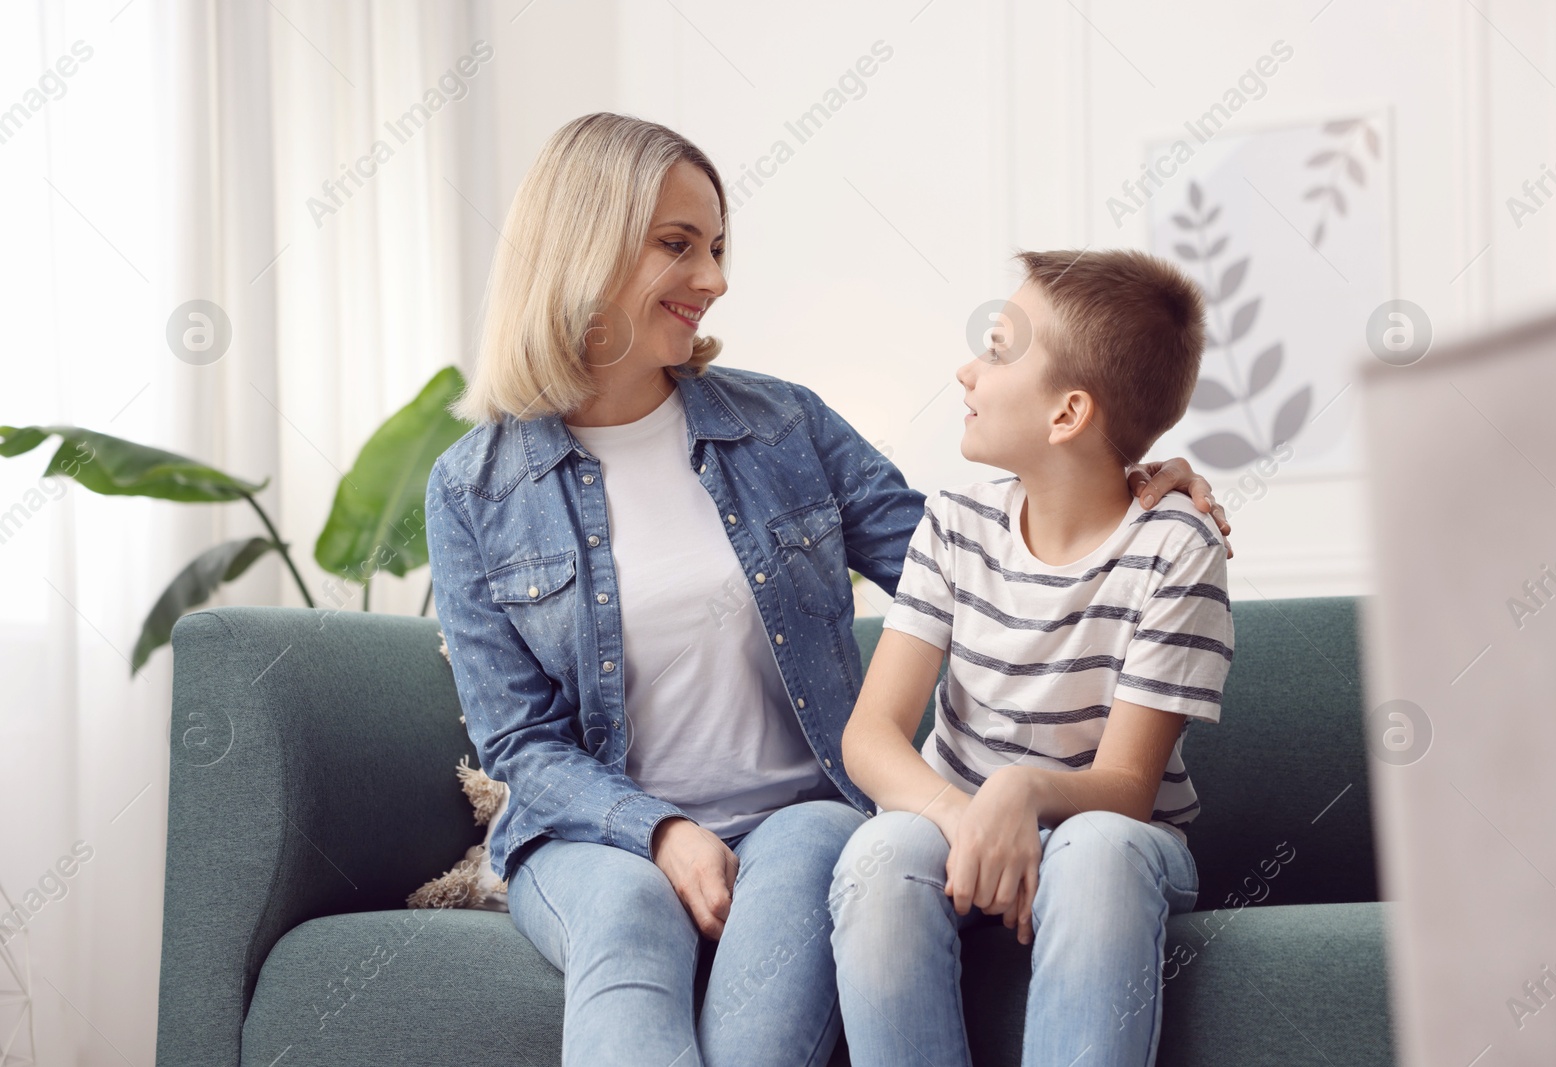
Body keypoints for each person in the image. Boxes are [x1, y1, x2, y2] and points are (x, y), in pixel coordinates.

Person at [425, 113, 1232, 1067]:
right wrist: (663, 832)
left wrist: (1120, 481)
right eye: (679, 246)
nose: (716, 280)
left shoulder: (780, 424)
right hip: (592, 836)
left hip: (796, 819)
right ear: (583, 249)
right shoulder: (474, 488)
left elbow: (971, 557)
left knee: (763, 1027)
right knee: (632, 915)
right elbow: (520, 742)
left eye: (718, 247)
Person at [829, 248, 1232, 1067]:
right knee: (880, 852)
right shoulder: (953, 524)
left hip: (1114, 833)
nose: (966, 372)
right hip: (958, 817)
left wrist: (1021, 788)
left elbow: (1127, 790)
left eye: (998, 349)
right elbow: (871, 736)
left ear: (1066, 414)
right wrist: (969, 817)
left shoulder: (1177, 546)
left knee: (1095, 854)